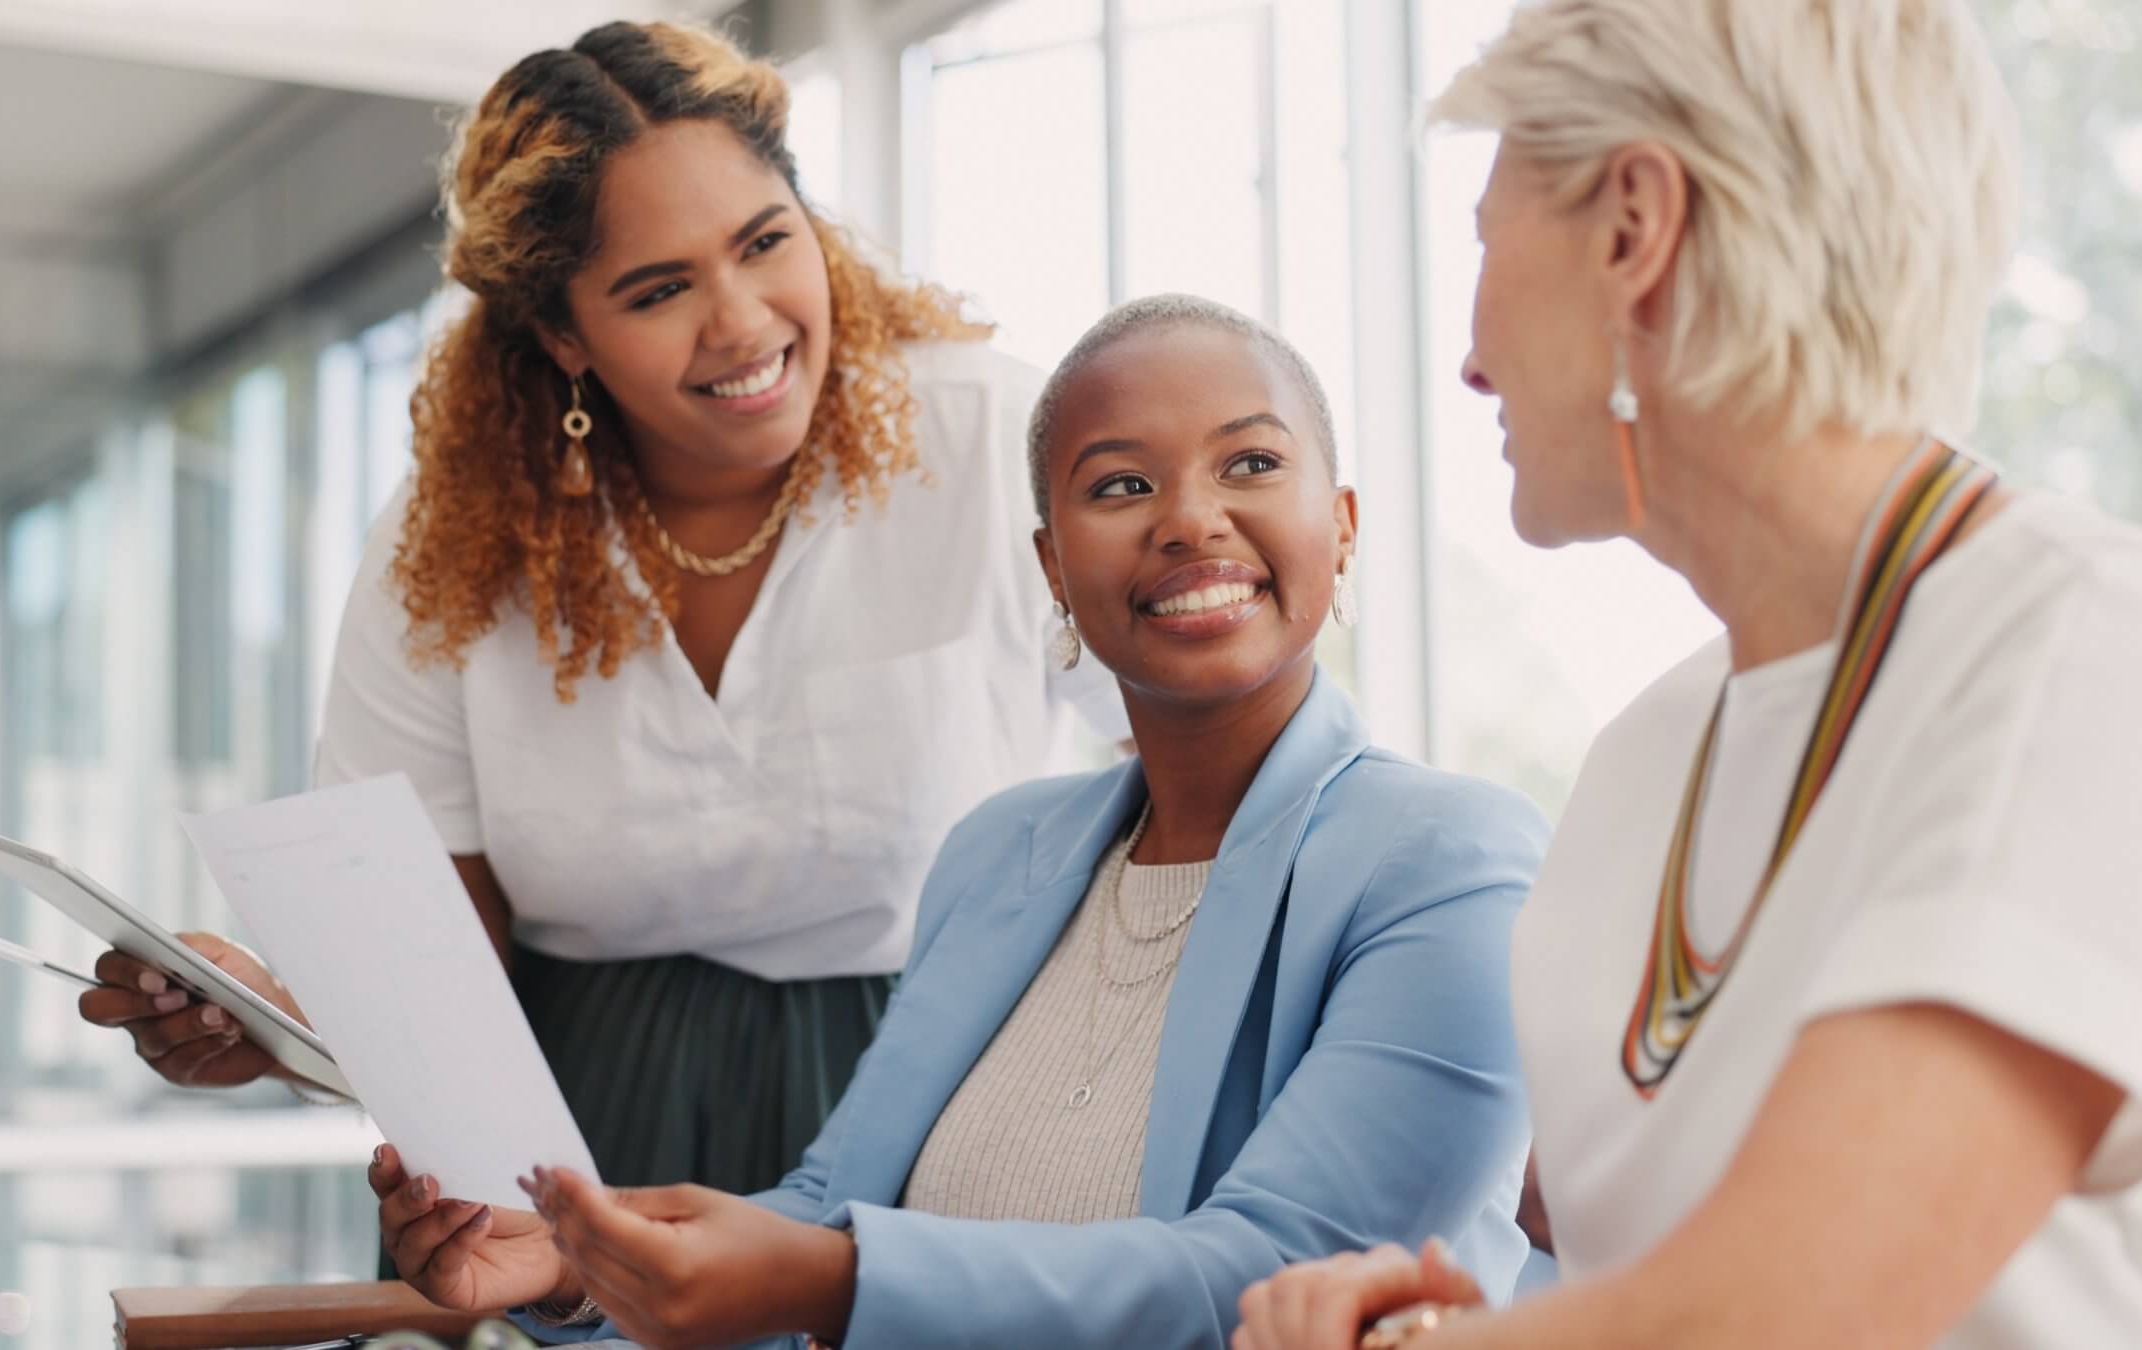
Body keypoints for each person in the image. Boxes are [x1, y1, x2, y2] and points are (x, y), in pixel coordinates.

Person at [1234, 3, 2142, 1348]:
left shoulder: (2101, 648)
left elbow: (1784, 1312)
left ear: (1635, 226)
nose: (1467, 357)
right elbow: (1657, 1289)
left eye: (1487, 243)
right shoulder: (1642, 755)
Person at [366, 295, 1547, 1348]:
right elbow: (827, 1213)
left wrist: (825, 1280)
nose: (1190, 520)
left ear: (1340, 526)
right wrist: (579, 1269)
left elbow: (1277, 1274)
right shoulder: (1002, 855)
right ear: (1050, 564)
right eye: (1121, 485)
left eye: (1249, 465)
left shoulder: (1449, 862)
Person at [73, 21, 1122, 1197]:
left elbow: (1200, 765)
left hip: (940, 1109)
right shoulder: (450, 542)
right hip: (573, 1136)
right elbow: (421, 956)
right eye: (658, 288)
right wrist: (264, 1022)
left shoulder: (989, 440)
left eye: (766, 241)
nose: (739, 322)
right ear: (565, 335)